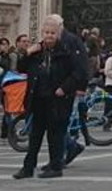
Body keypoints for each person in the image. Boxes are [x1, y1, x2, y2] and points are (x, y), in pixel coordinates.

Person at [13, 14, 89, 179]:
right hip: (38, 97)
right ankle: (28, 168)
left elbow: (78, 72)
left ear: (58, 33)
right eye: (46, 32)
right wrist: (27, 52)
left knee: (55, 134)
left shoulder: (65, 51)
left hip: (58, 98)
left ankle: (55, 166)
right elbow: (21, 68)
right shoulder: (37, 52)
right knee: (35, 135)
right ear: (42, 33)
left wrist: (64, 88)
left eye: (52, 33)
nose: (49, 36)